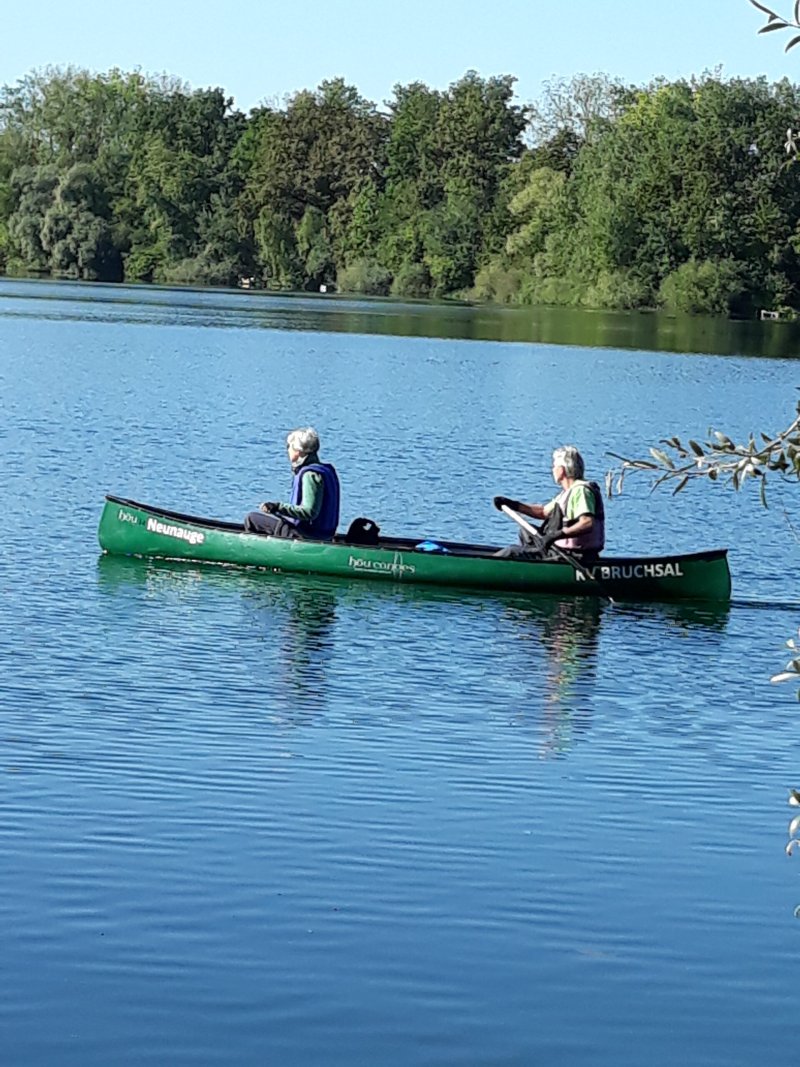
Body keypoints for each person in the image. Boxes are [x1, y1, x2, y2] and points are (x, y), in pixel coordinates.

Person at [493, 445, 605, 559]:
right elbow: (543, 512)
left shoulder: (581, 491)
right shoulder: (567, 492)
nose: (552, 470)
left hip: (572, 556)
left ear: (561, 470)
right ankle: (530, 558)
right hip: (557, 549)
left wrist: (557, 535)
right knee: (525, 531)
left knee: (511, 552)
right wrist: (513, 504)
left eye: (554, 466)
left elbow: (587, 523)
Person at [244, 427, 340, 541]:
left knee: (251, 519)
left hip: (305, 536)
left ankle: (255, 554)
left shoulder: (310, 475)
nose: (288, 450)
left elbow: (309, 512)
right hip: (324, 535)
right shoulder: (326, 471)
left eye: (289, 446)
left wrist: (278, 507)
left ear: (298, 452)